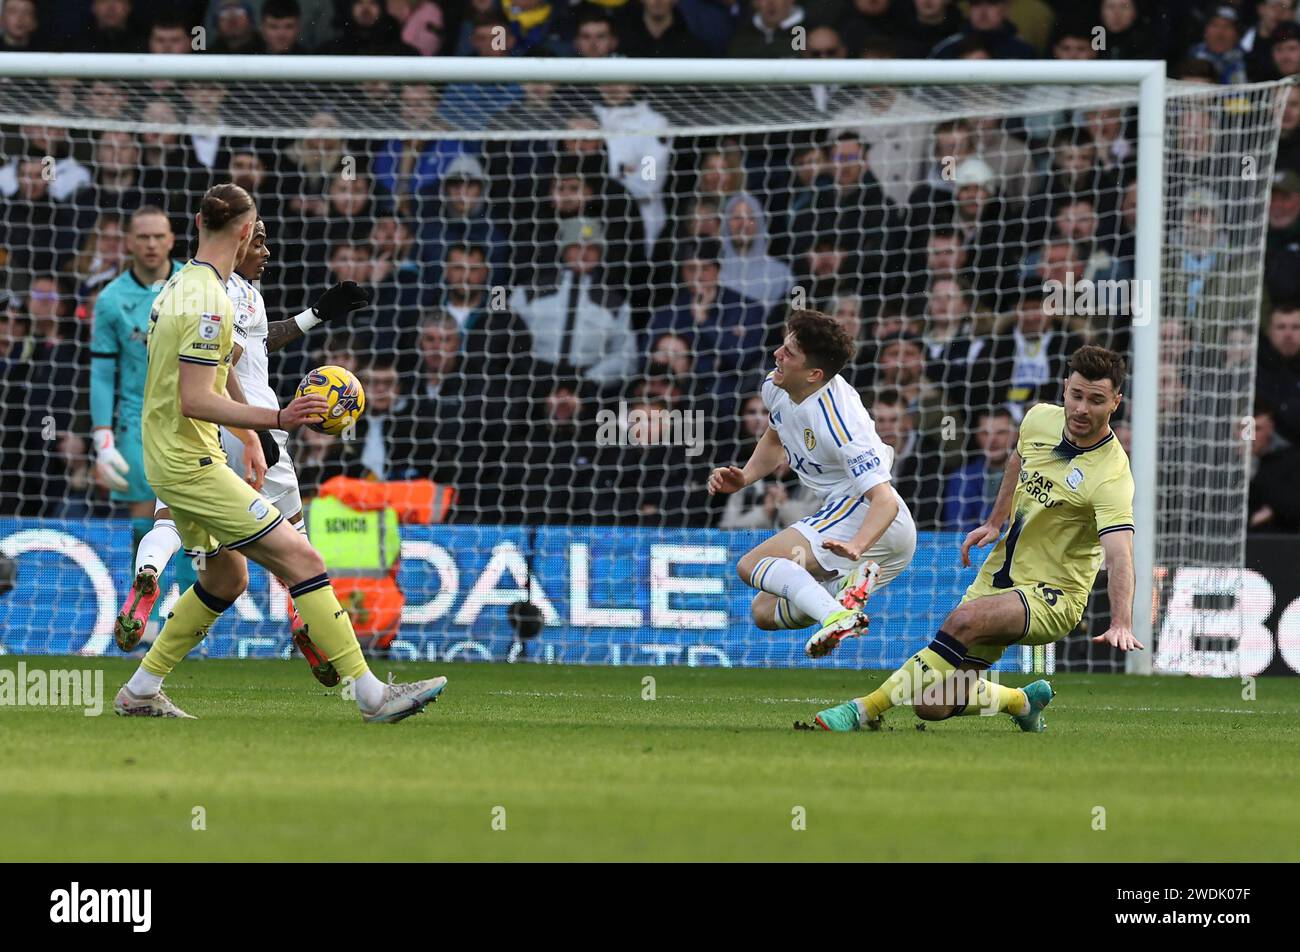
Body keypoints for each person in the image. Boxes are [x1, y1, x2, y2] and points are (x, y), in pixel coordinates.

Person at [112, 183, 444, 722]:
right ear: (245, 232)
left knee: (227, 578)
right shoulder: (211, 301)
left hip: (172, 454)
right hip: (191, 462)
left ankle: (141, 688)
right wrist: (277, 419)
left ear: (197, 223)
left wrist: (251, 437)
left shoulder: (181, 286)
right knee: (303, 558)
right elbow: (197, 398)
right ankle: (371, 695)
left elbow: (216, 374)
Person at [806, 345, 1140, 733]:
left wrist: (1122, 622)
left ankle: (863, 709)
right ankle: (1021, 701)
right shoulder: (1039, 420)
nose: (1082, 409)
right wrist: (995, 521)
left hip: (1055, 595)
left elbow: (1120, 556)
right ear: (1065, 388)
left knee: (963, 619)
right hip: (1001, 575)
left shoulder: (1112, 475)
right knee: (931, 704)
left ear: (1115, 402)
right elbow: (1019, 458)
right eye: (1076, 395)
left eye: (1096, 400)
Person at [113, 215, 372, 683]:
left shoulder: (207, 288)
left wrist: (317, 314)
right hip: (247, 424)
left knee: (195, 544)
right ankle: (312, 628)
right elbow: (226, 358)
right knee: (297, 543)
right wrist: (259, 429)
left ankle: (148, 575)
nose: (267, 251)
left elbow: (255, 341)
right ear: (236, 241)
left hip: (195, 434)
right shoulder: (223, 291)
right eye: (259, 242)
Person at [708, 310, 917, 659]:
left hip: (869, 517)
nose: (778, 354)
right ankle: (843, 591)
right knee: (764, 611)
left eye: (789, 353)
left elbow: (885, 500)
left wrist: (857, 545)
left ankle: (838, 614)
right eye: (783, 345)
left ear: (814, 374)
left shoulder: (839, 421)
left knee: (749, 565)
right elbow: (776, 438)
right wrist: (745, 476)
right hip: (867, 529)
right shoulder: (777, 386)